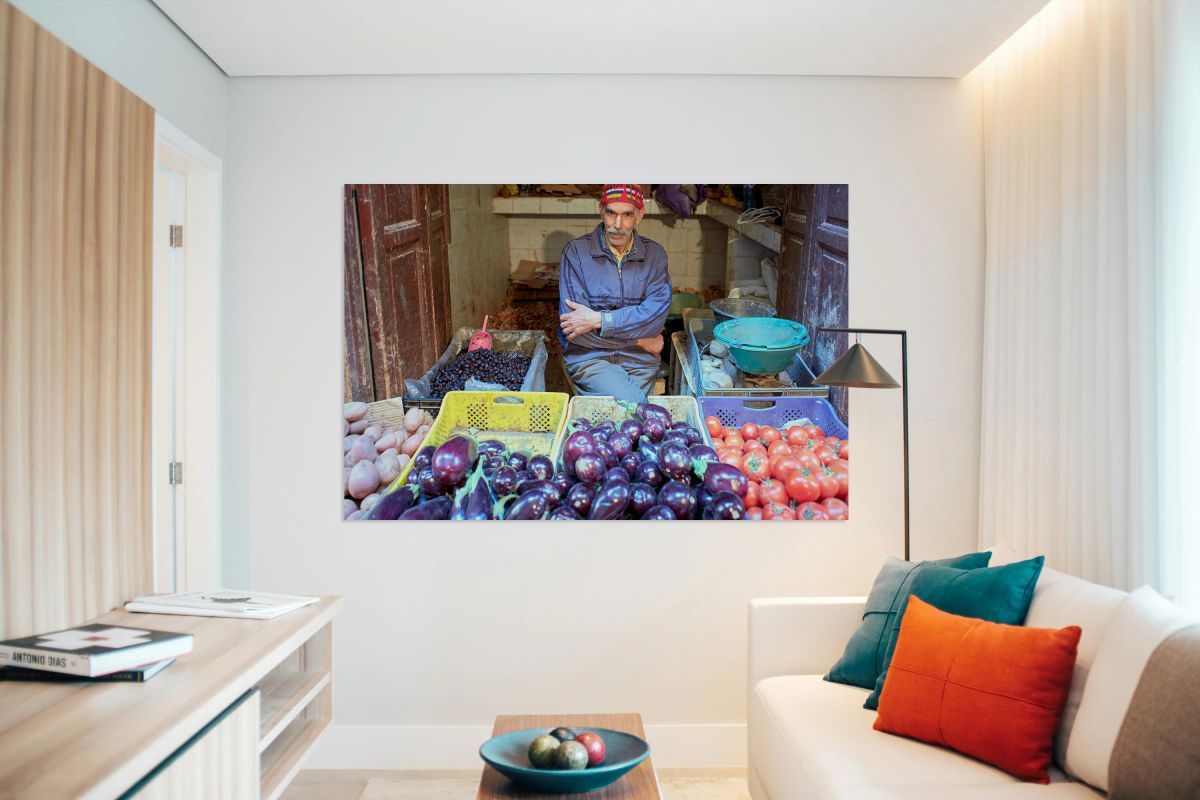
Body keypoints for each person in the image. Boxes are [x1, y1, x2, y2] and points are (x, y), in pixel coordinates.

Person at [558, 184, 671, 402]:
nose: (617, 225)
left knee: (630, 426)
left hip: (640, 362)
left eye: (627, 214)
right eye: (611, 213)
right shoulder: (576, 253)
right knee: (637, 409)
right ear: (602, 210)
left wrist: (599, 319)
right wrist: (640, 340)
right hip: (590, 359)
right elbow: (575, 329)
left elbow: (655, 322)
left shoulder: (655, 255)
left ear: (639, 215)